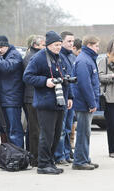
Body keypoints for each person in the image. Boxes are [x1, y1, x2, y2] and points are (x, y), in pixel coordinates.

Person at [23, 31, 73, 175]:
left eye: (59, 44)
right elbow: (27, 76)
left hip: (60, 101)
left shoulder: (60, 58)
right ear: (49, 45)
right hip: (45, 102)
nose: (59, 47)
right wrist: (45, 81)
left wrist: (70, 97)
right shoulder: (39, 58)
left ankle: (50, 161)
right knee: (47, 134)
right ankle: (43, 164)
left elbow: (66, 79)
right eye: (56, 45)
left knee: (57, 134)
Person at [0, 36, 25, 148]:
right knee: (5, 129)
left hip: (12, 99)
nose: (0, 50)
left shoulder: (14, 54)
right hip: (2, 97)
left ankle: (18, 154)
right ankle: (9, 154)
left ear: (7, 45)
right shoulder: (1, 56)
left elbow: (8, 67)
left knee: (14, 129)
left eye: (1, 47)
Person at [72, 36, 101, 170]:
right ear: (89, 45)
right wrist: (91, 103)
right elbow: (85, 84)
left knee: (86, 132)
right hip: (84, 103)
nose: (98, 48)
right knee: (83, 132)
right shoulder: (84, 60)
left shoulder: (88, 59)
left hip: (86, 102)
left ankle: (84, 158)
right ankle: (79, 161)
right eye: (96, 46)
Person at [23, 35, 45, 167]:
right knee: (34, 129)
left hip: (35, 96)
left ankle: (36, 155)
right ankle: (34, 157)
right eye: (43, 45)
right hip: (31, 97)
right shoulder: (30, 57)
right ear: (36, 45)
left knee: (36, 128)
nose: (45, 47)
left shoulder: (36, 56)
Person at [54, 31, 76, 165]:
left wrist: (71, 97)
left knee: (68, 128)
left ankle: (67, 153)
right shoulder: (59, 57)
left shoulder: (72, 57)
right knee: (61, 129)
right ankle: (59, 155)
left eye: (73, 41)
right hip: (62, 97)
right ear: (61, 42)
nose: (72, 44)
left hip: (70, 97)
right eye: (69, 41)